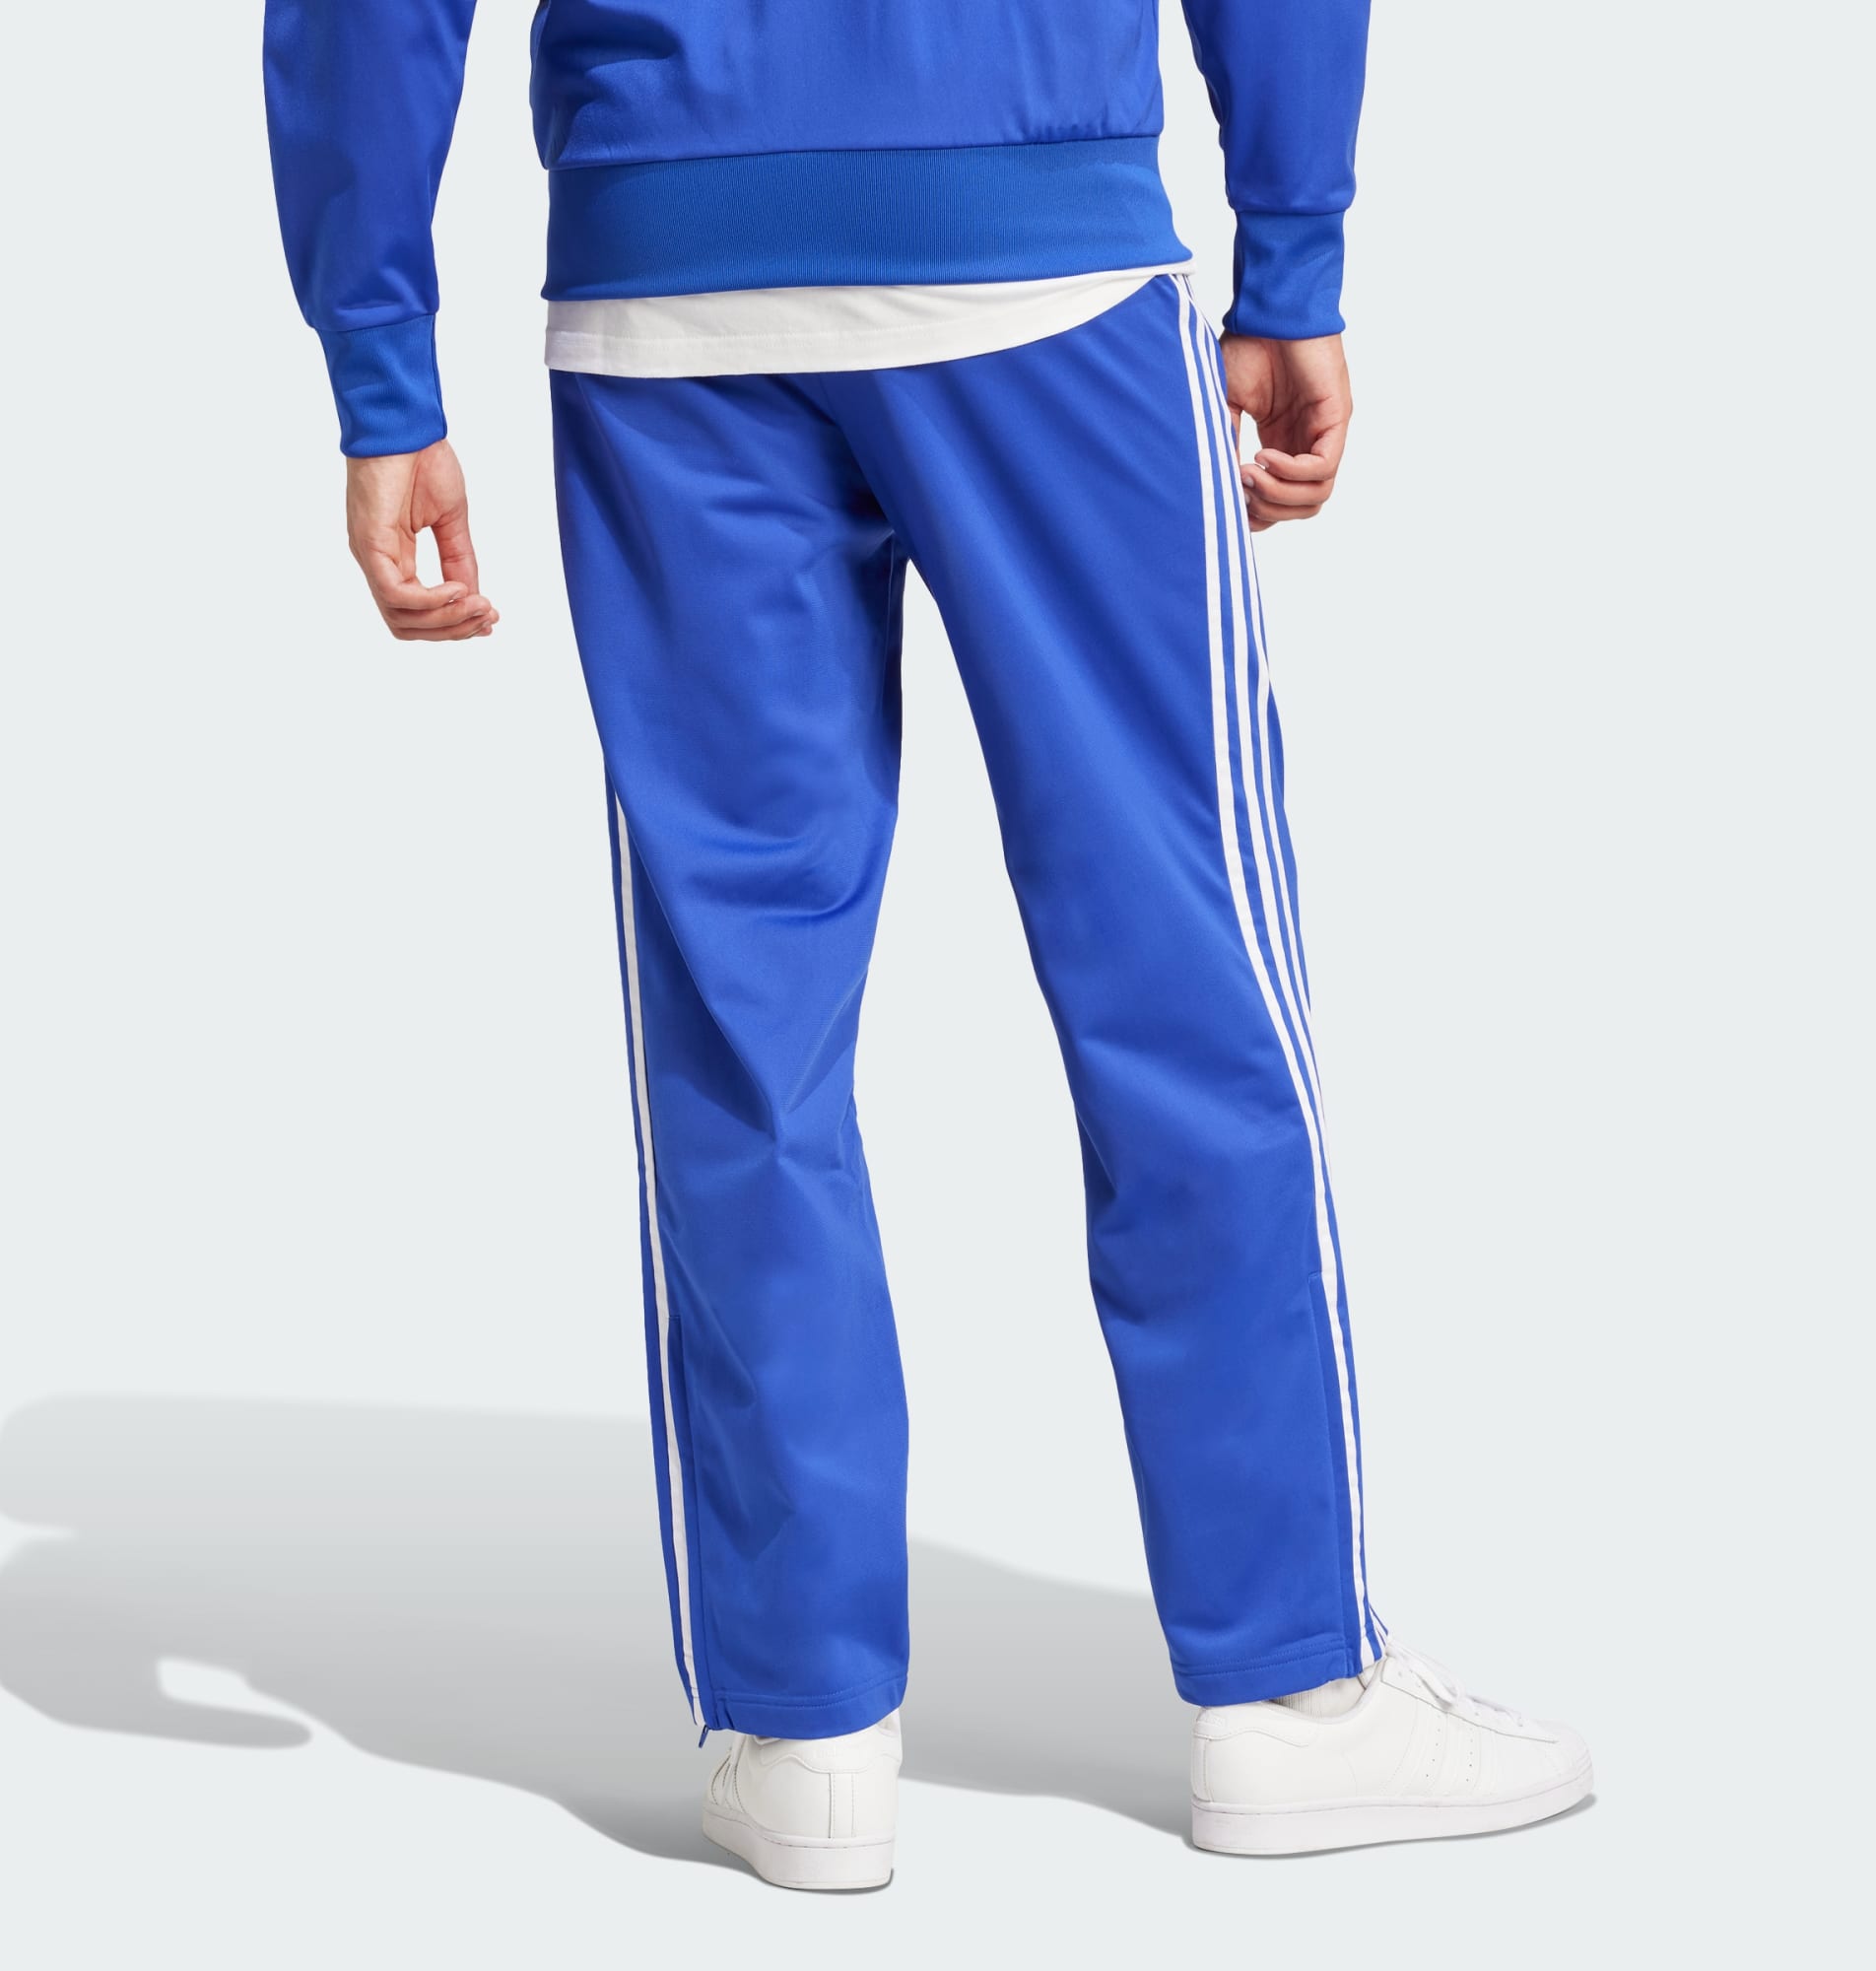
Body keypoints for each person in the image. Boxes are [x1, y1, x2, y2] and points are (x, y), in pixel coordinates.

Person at [263, 1, 1592, 1885]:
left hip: (669, 273)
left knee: (744, 1028)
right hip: (1034, 236)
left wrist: (383, 366)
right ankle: (1292, 1696)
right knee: (1183, 962)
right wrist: (1292, 248)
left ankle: (805, 1727)